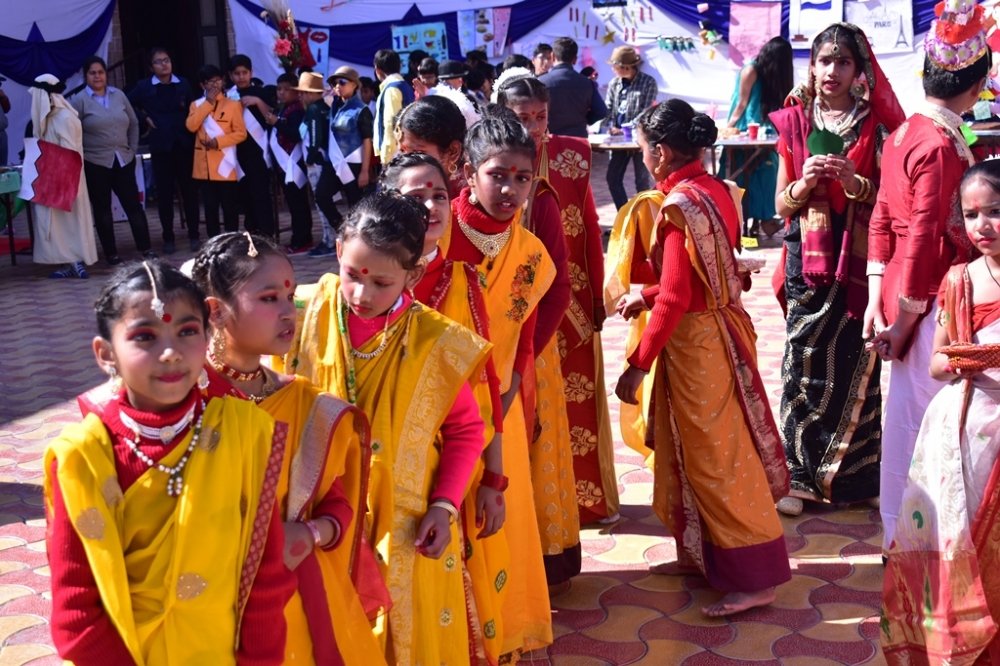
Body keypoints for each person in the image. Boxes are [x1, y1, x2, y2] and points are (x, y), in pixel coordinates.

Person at [46, 261, 294, 663]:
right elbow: (76, 611)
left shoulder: (244, 432)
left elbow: (264, 572)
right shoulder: (84, 458)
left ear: (207, 335)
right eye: (145, 336)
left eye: (187, 331)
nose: (170, 353)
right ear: (106, 354)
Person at [286, 192, 492, 664]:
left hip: (405, 520)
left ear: (412, 275)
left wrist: (444, 505)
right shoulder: (304, 312)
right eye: (353, 275)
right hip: (319, 512)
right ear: (339, 250)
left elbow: (466, 430)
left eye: (381, 282)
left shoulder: (436, 341)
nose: (362, 294)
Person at [614, 99, 791, 617]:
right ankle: (700, 552)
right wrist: (646, 296)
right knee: (698, 452)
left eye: (643, 151)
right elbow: (698, 275)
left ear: (661, 152)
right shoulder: (716, 190)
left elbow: (676, 296)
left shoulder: (676, 208)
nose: (643, 159)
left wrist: (638, 364)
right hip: (718, 331)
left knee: (717, 460)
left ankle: (755, 576)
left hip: (697, 347)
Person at [190, 233, 386, 665]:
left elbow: (338, 504)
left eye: (289, 294)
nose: (287, 310)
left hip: (301, 595)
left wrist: (309, 534)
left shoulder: (306, 403)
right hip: (209, 599)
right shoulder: (188, 404)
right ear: (215, 310)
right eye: (268, 298)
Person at [866, 0, 989, 554]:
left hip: (907, 294)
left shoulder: (905, 133)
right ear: (979, 85)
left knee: (908, 421)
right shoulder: (939, 144)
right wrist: (905, 320)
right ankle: (926, 543)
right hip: (933, 301)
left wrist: (879, 298)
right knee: (934, 424)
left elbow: (881, 218)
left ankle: (903, 534)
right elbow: (921, 236)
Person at [768, 24, 904, 516]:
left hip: (860, 260)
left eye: (843, 61)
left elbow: (889, 198)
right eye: (825, 60)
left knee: (858, 363)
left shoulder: (876, 127)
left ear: (858, 70)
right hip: (807, 260)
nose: (832, 70)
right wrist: (804, 185)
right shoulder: (794, 121)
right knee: (803, 362)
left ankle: (859, 478)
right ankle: (799, 477)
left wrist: (856, 183)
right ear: (812, 65)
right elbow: (780, 205)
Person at [381, 153, 511, 663]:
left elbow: (486, 385)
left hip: (449, 467)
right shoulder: (356, 287)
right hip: (374, 475)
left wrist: (493, 478)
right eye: (417, 197)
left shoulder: (464, 281)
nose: (433, 207)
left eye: (439, 195)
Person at [445, 107, 557, 656]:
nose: (510, 189)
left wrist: (500, 411)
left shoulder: (530, 253)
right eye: (497, 175)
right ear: (469, 173)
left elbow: (523, 344)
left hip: (497, 412)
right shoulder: (436, 238)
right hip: (436, 411)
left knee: (496, 527)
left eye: (522, 177)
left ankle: (501, 638)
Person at [880, 160, 1000, 663]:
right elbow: (936, 362)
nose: (983, 226)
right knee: (964, 544)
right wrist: (975, 358)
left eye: (995, 212)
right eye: (972, 215)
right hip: (967, 436)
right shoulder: (959, 281)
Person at [497, 73, 619, 530]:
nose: (532, 127)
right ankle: (527, 506)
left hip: (570, 297)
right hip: (510, 301)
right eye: (521, 117)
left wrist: (597, 296)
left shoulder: (572, 156)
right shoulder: (491, 160)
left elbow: (587, 227)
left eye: (540, 117)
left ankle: (584, 502)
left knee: (575, 400)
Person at [72, 56, 154, 265]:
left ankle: (146, 248)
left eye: (100, 72)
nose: (97, 76)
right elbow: (73, 132)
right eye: (92, 73)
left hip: (123, 160)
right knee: (102, 209)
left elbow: (134, 123)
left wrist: (132, 149)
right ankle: (111, 254)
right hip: (96, 162)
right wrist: (83, 156)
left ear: (106, 74)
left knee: (133, 206)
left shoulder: (119, 95)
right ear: (86, 76)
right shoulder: (79, 100)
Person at [128, 47, 201, 254]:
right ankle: (168, 236)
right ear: (151, 67)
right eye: (158, 61)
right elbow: (126, 103)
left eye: (166, 60)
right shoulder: (144, 86)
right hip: (161, 146)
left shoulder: (183, 83)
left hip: (184, 144)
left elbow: (194, 108)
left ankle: (194, 234)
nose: (164, 64)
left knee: (189, 192)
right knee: (165, 194)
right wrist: (144, 118)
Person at [27, 74, 98, 279]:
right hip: (49, 178)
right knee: (53, 223)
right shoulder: (48, 119)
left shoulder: (65, 118)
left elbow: (70, 153)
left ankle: (75, 260)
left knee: (69, 221)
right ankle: (66, 261)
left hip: (65, 178)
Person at [722, 36, 793, 231]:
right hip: (744, 127)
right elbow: (741, 103)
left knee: (768, 170)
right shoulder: (751, 70)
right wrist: (728, 128)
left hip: (763, 130)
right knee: (745, 172)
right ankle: (752, 221)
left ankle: (763, 219)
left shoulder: (770, 75)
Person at [186, 64, 246, 238]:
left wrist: (218, 142)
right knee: (210, 208)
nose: (215, 85)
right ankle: (214, 242)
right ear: (202, 85)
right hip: (205, 168)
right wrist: (208, 104)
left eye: (217, 80)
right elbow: (191, 126)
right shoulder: (196, 105)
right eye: (210, 82)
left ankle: (232, 240)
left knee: (230, 207)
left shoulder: (233, 105)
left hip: (225, 164)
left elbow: (240, 133)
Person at [263, 73, 313, 253]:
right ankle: (297, 237)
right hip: (283, 163)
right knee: (292, 203)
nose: (281, 93)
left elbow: (296, 134)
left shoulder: (297, 110)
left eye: (286, 89)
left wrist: (277, 123)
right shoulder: (283, 108)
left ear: (296, 91)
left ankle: (302, 239)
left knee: (299, 203)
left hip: (293, 161)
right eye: (279, 89)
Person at [227, 54, 276, 237]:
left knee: (261, 194)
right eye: (237, 73)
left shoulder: (261, 92)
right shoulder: (228, 96)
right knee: (245, 195)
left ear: (251, 73)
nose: (241, 77)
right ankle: (252, 232)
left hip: (259, 151)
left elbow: (271, 117)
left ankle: (267, 233)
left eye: (244, 72)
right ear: (231, 75)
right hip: (238, 152)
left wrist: (257, 102)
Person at [604, 46, 658, 209]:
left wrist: (628, 127)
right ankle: (624, 213)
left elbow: (646, 111)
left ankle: (645, 217)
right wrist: (603, 123)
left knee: (642, 181)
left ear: (626, 67)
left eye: (615, 66)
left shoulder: (648, 82)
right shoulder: (614, 83)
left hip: (640, 138)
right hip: (619, 139)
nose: (613, 69)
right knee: (613, 178)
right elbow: (609, 108)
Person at [295, 72, 337, 257]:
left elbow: (315, 137)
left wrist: (310, 158)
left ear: (312, 93)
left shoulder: (313, 109)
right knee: (325, 199)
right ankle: (330, 238)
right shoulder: (326, 107)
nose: (301, 96)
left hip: (318, 161)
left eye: (304, 92)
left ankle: (329, 240)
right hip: (327, 159)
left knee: (321, 201)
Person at [396, 95, 469, 198]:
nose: (406, 162)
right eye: (402, 152)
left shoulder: (467, 198)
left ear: (453, 152)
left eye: (417, 154)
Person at [538, 37, 607, 138]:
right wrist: (584, 120)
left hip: (549, 140)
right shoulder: (587, 83)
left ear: (552, 56)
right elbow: (601, 111)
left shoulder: (541, 83)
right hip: (578, 140)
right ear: (575, 59)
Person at [372, 49, 414, 165]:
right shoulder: (405, 85)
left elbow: (391, 124)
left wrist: (387, 157)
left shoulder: (391, 89)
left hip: (395, 154)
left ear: (377, 70)